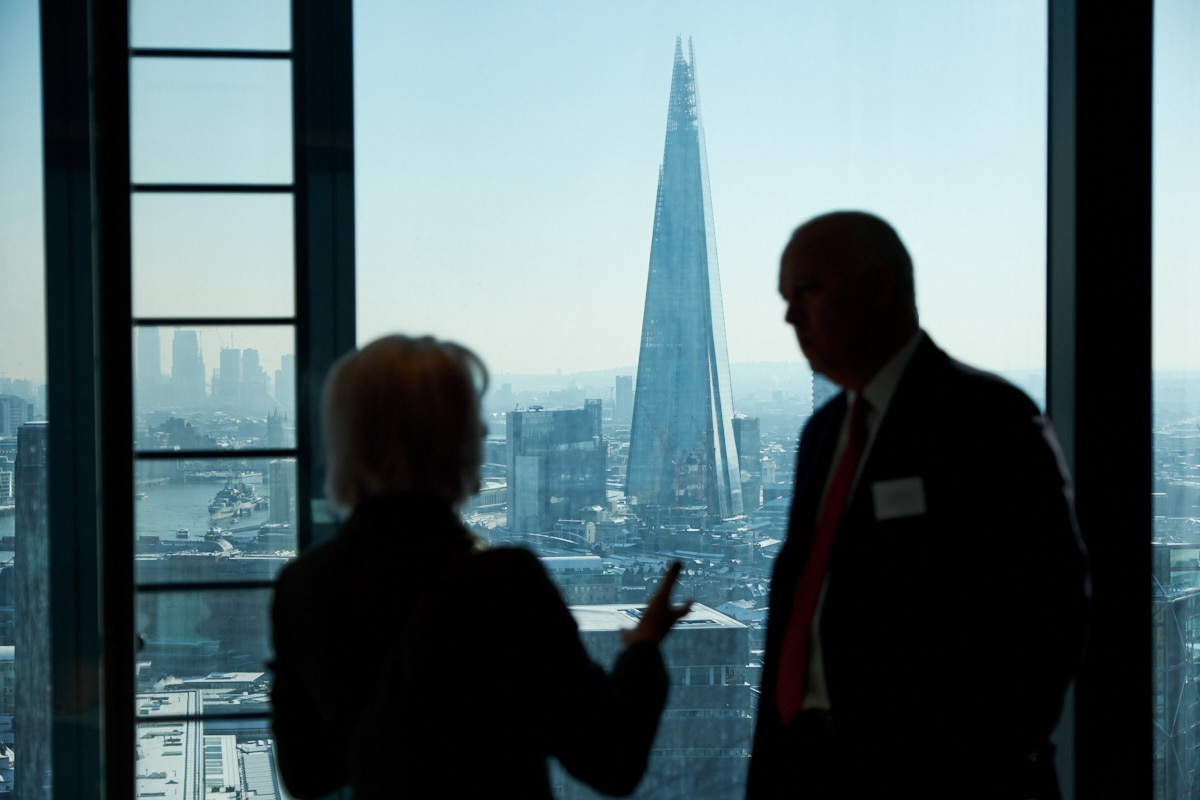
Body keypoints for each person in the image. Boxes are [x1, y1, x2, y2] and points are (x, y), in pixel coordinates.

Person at [747, 212, 1089, 799]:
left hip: (942, 776)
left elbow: (1050, 608)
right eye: (784, 297)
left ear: (879, 287)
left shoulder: (988, 419)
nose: (790, 316)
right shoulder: (823, 434)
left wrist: (985, 757)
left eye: (809, 289)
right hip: (814, 769)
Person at [270, 334, 692, 799]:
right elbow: (612, 762)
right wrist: (643, 648)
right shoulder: (505, 585)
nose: (487, 434)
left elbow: (307, 776)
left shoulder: (302, 588)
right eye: (474, 419)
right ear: (451, 442)